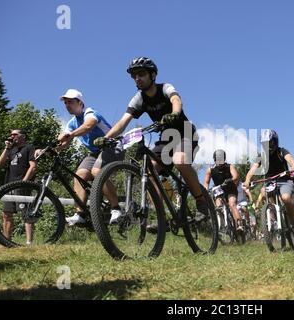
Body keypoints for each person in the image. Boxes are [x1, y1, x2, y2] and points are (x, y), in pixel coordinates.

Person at [96, 57, 209, 222]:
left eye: (141, 74)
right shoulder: (139, 98)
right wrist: (106, 138)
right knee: (148, 169)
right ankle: (161, 216)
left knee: (180, 160)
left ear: (153, 75)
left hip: (185, 132)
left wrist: (175, 114)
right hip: (166, 139)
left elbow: (176, 100)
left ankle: (201, 201)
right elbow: (123, 122)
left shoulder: (165, 87)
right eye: (134, 76)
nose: (137, 78)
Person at [55, 89, 124, 225]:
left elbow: (88, 126)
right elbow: (62, 141)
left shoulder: (90, 112)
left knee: (97, 171)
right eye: (66, 103)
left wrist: (70, 135)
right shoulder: (72, 123)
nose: (67, 105)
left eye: (70, 102)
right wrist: (49, 149)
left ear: (80, 103)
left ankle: (116, 209)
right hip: (95, 152)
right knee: (80, 175)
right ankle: (80, 214)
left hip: (113, 146)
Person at [244, 129, 294, 229]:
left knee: (286, 198)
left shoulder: (281, 151)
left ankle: (293, 221)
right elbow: (253, 169)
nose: (268, 145)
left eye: (270, 142)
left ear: (275, 141)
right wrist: (247, 180)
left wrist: (293, 167)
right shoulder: (261, 156)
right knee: (263, 192)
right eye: (265, 143)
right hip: (270, 182)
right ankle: (274, 219)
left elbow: (291, 161)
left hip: (285, 180)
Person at [0, 129, 36, 244]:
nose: (12, 136)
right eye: (11, 134)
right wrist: (7, 148)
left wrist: (24, 182)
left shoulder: (29, 148)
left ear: (23, 136)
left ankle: (29, 243)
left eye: (15, 134)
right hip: (8, 186)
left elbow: (33, 166)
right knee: (6, 214)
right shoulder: (11, 149)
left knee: (26, 214)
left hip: (22, 185)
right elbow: (0, 163)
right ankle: (7, 242)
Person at [203, 149, 243, 232]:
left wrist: (231, 180)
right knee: (218, 207)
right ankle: (221, 227)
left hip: (230, 188)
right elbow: (206, 182)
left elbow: (236, 176)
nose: (219, 161)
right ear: (214, 159)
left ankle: (239, 225)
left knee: (232, 204)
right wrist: (205, 190)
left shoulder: (229, 166)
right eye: (217, 159)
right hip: (219, 189)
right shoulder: (210, 169)